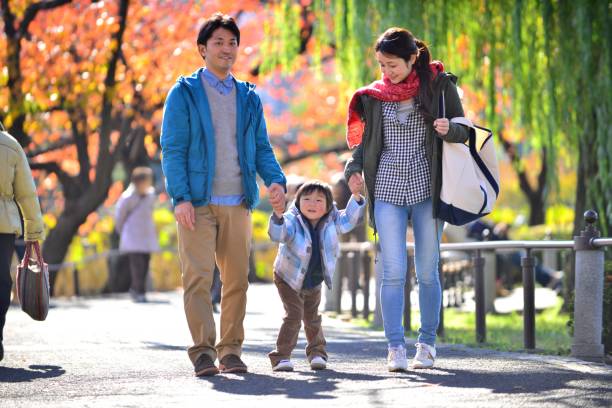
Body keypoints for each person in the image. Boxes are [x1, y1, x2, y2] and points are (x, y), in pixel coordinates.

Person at [160, 12, 286, 377]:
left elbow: (261, 146)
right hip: (196, 203)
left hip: (238, 201)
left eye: (232, 43)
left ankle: (230, 350)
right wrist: (180, 197)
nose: (227, 49)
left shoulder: (248, 96)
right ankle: (202, 351)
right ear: (202, 49)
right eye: (218, 42)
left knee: (237, 281)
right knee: (197, 278)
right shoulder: (184, 93)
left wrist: (274, 181)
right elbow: (172, 147)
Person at [344, 27, 470, 371]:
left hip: (427, 189)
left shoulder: (440, 86)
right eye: (382, 66)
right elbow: (365, 144)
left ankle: (427, 344)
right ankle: (395, 347)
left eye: (393, 65)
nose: (386, 73)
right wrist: (352, 169)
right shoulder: (374, 95)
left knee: (428, 270)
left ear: (413, 58)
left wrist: (450, 129)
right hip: (386, 188)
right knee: (392, 270)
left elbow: (465, 131)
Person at [267, 180, 365, 372]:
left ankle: (317, 353)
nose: (312, 204)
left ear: (329, 205)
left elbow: (350, 220)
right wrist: (278, 216)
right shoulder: (292, 220)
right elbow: (279, 234)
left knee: (312, 318)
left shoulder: (333, 219)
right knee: (294, 314)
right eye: (307, 199)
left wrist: (356, 196)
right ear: (297, 202)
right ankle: (281, 357)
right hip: (287, 277)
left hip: (314, 278)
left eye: (319, 200)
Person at [0, 124, 44, 362]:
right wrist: (33, 230)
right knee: (0, 281)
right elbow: (26, 192)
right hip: (3, 227)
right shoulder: (10, 144)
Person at [115, 167, 159, 303]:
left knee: (145, 263)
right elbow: (119, 216)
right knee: (137, 265)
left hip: (146, 235)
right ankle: (137, 290)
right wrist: (121, 231)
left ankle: (140, 290)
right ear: (139, 181)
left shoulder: (151, 195)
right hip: (133, 235)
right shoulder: (127, 197)